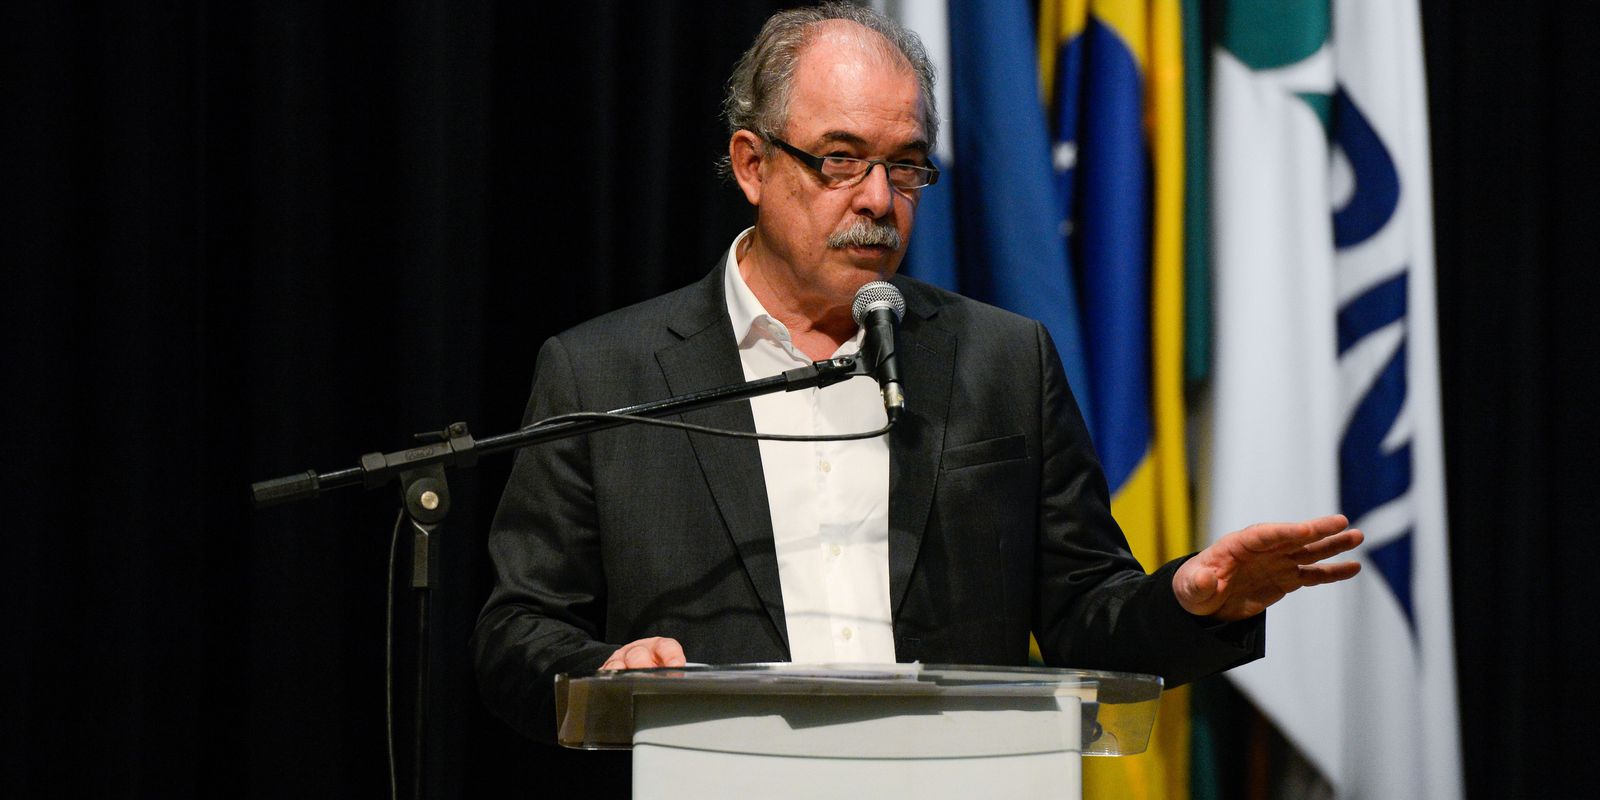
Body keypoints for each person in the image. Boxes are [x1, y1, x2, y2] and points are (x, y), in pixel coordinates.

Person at [472, 3, 1361, 744]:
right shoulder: (605, 374)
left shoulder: (1003, 360)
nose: (877, 198)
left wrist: (1192, 601)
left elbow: (1087, 614)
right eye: (840, 158)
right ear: (752, 164)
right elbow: (518, 630)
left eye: (904, 166)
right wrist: (605, 672)